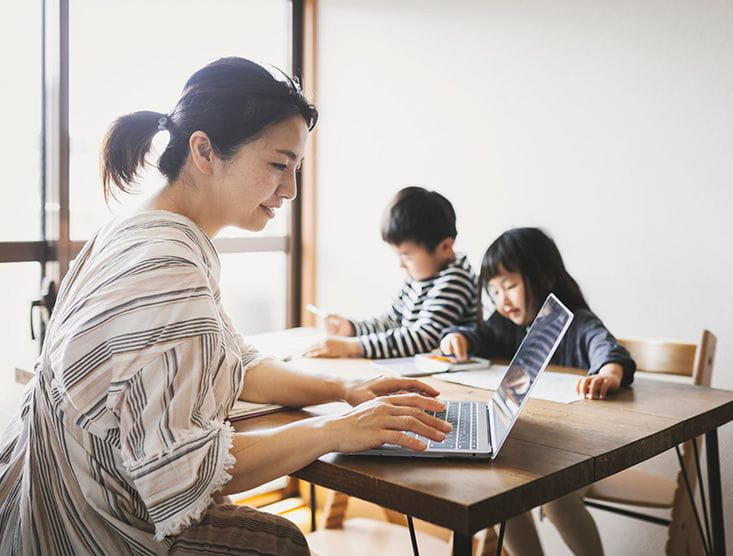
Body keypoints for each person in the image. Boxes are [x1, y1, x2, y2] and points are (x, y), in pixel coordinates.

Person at [0, 57, 452, 555]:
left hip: (44, 501)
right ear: (204, 151)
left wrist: (347, 388)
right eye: (278, 164)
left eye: (296, 169)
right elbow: (183, 471)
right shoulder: (165, 267)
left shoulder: (144, 231)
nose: (291, 189)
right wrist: (337, 430)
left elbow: (239, 362)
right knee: (280, 542)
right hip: (89, 530)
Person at [440, 227, 636, 556]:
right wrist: (457, 338)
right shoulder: (506, 326)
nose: (502, 299)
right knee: (499, 498)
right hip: (530, 445)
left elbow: (607, 348)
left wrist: (608, 374)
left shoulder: (577, 323)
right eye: (495, 290)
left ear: (544, 278)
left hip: (577, 448)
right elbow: (478, 336)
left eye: (511, 286)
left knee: (558, 502)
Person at [304, 186, 477, 359]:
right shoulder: (417, 278)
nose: (401, 265)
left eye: (407, 256)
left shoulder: (456, 279)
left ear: (445, 247)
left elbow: (423, 338)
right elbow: (393, 322)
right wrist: (351, 328)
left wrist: (353, 346)